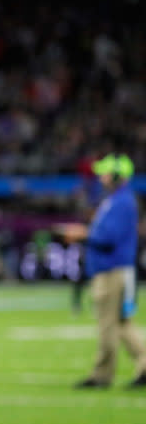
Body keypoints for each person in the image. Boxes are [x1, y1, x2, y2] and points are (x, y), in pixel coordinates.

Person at [58, 153, 146, 388]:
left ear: (117, 175)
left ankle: (102, 375)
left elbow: (108, 238)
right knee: (122, 323)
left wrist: (82, 233)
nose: (101, 177)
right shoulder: (118, 200)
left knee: (108, 324)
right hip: (113, 269)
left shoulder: (121, 202)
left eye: (106, 173)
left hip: (111, 271)